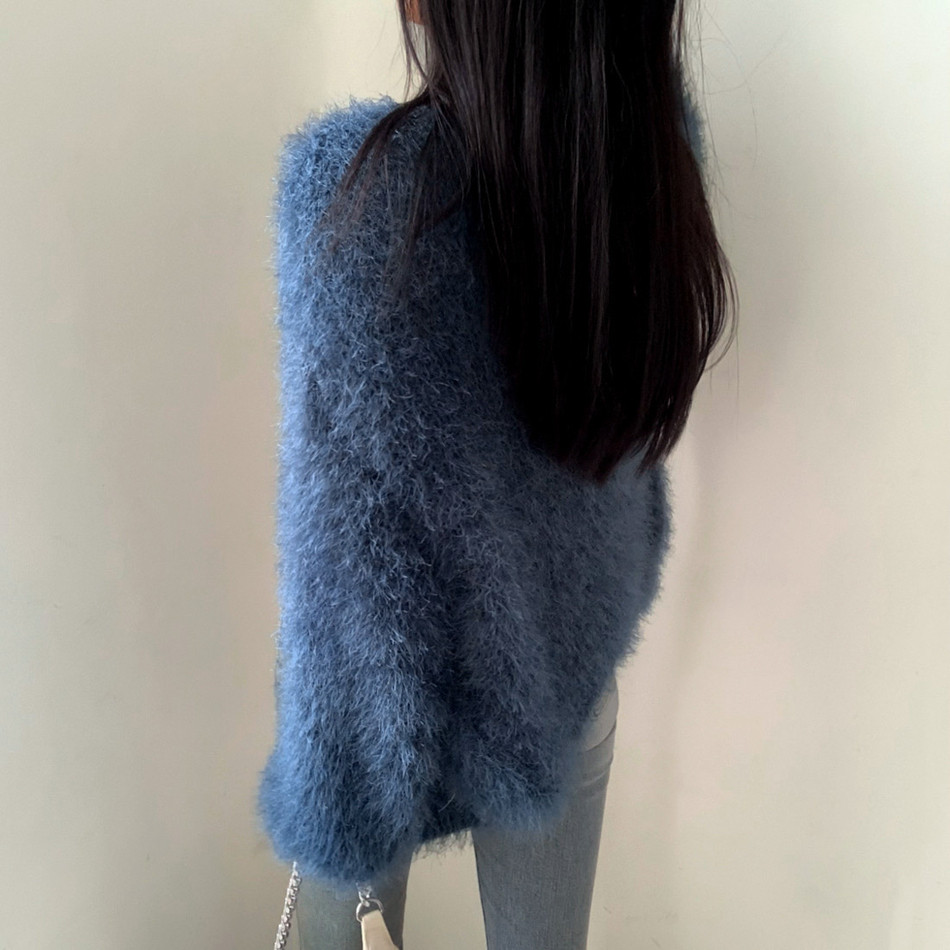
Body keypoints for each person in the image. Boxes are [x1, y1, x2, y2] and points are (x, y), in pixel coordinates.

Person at [257, 1, 737, 947]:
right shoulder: (648, 148)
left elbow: (349, 568)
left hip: (378, 714)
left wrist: (340, 808)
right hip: (569, 667)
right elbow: (625, 459)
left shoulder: (362, 200)